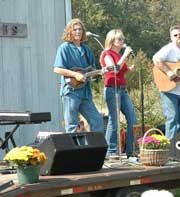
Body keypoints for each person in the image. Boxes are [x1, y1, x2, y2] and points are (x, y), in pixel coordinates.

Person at [53, 18, 103, 134]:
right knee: (72, 126)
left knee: (97, 121)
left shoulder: (87, 49)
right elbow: (57, 69)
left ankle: (95, 150)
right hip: (71, 92)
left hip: (85, 93)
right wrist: (75, 74)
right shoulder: (64, 48)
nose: (78, 32)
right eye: (75, 29)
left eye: (80, 29)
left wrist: (101, 71)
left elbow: (92, 69)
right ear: (69, 32)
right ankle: (73, 152)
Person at [99, 29, 137, 158]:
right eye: (119, 39)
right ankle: (110, 151)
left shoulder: (119, 56)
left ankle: (130, 150)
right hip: (112, 89)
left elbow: (122, 69)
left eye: (122, 39)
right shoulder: (106, 54)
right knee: (114, 121)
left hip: (122, 89)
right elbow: (114, 69)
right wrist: (125, 55)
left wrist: (131, 68)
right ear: (112, 41)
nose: (122, 42)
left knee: (132, 118)